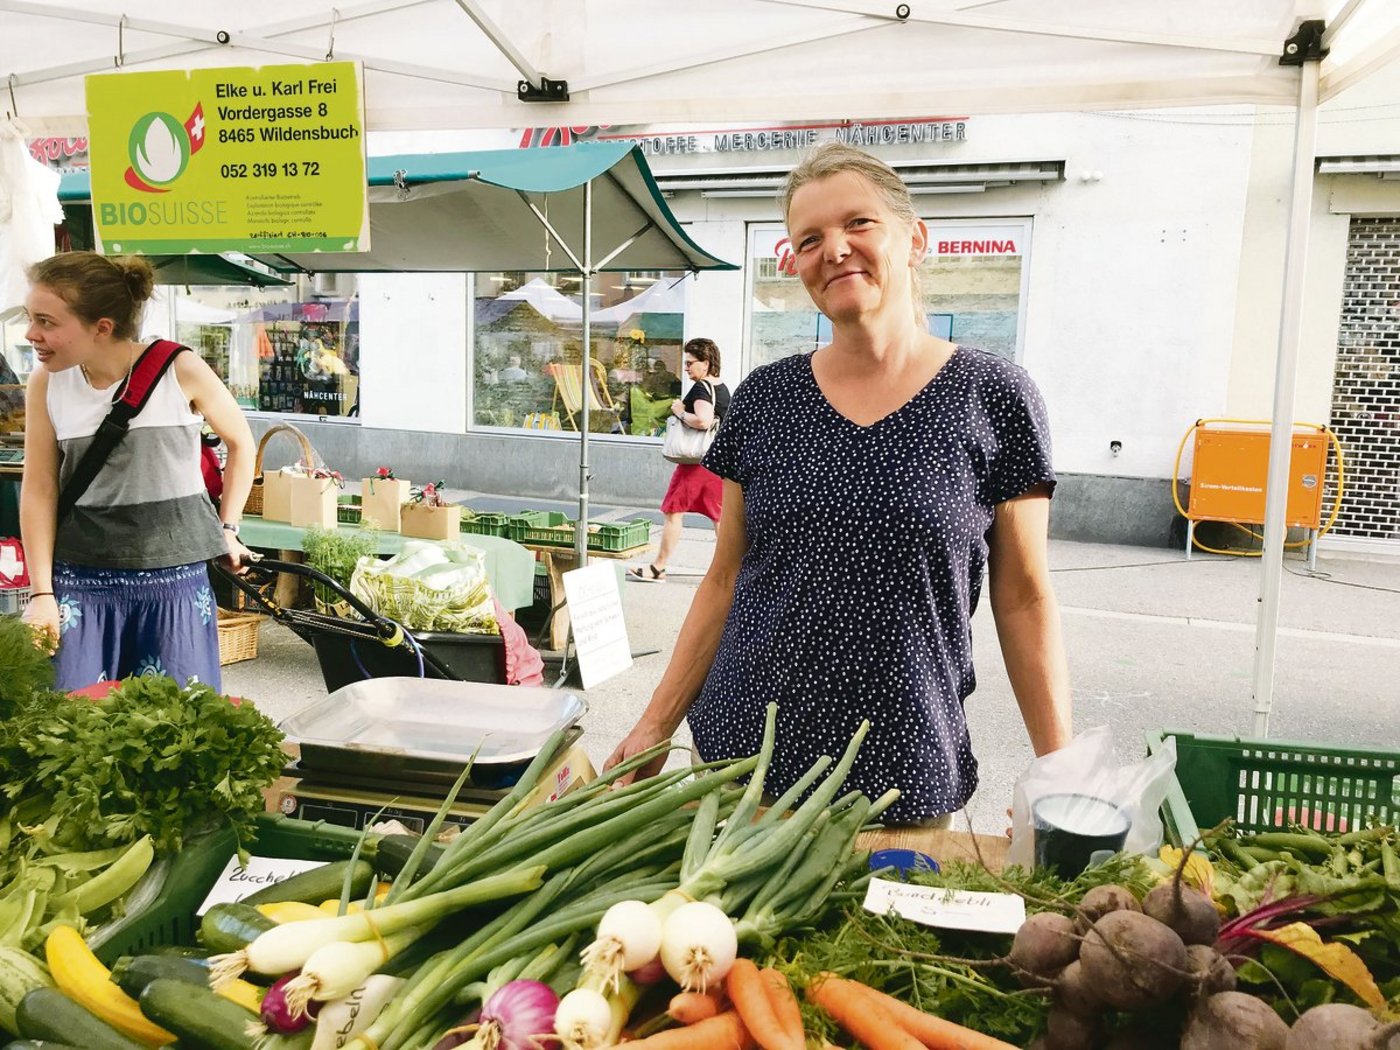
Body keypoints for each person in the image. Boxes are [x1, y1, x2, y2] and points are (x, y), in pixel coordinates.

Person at [605, 142, 1071, 826]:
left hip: (903, 766)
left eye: (859, 223)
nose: (835, 249)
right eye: (810, 238)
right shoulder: (767, 398)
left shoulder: (992, 394)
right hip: (746, 764)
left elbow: (1026, 597)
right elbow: (725, 579)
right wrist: (655, 723)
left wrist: (1060, 773)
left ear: (914, 239)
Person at [19, 252, 255, 691]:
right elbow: (39, 489)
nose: (32, 334)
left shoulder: (179, 368)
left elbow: (242, 444)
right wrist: (41, 593)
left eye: (47, 322)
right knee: (72, 728)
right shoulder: (47, 383)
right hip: (79, 579)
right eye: (30, 318)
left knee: (177, 726)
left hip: (174, 580)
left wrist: (229, 527)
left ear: (102, 327)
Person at [627, 338, 729, 582]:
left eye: (690, 363)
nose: (685, 367)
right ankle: (731, 571)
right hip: (715, 462)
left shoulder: (703, 388)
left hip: (697, 465)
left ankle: (658, 567)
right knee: (719, 517)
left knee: (673, 510)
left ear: (706, 363)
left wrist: (680, 412)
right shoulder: (721, 387)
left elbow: (703, 420)